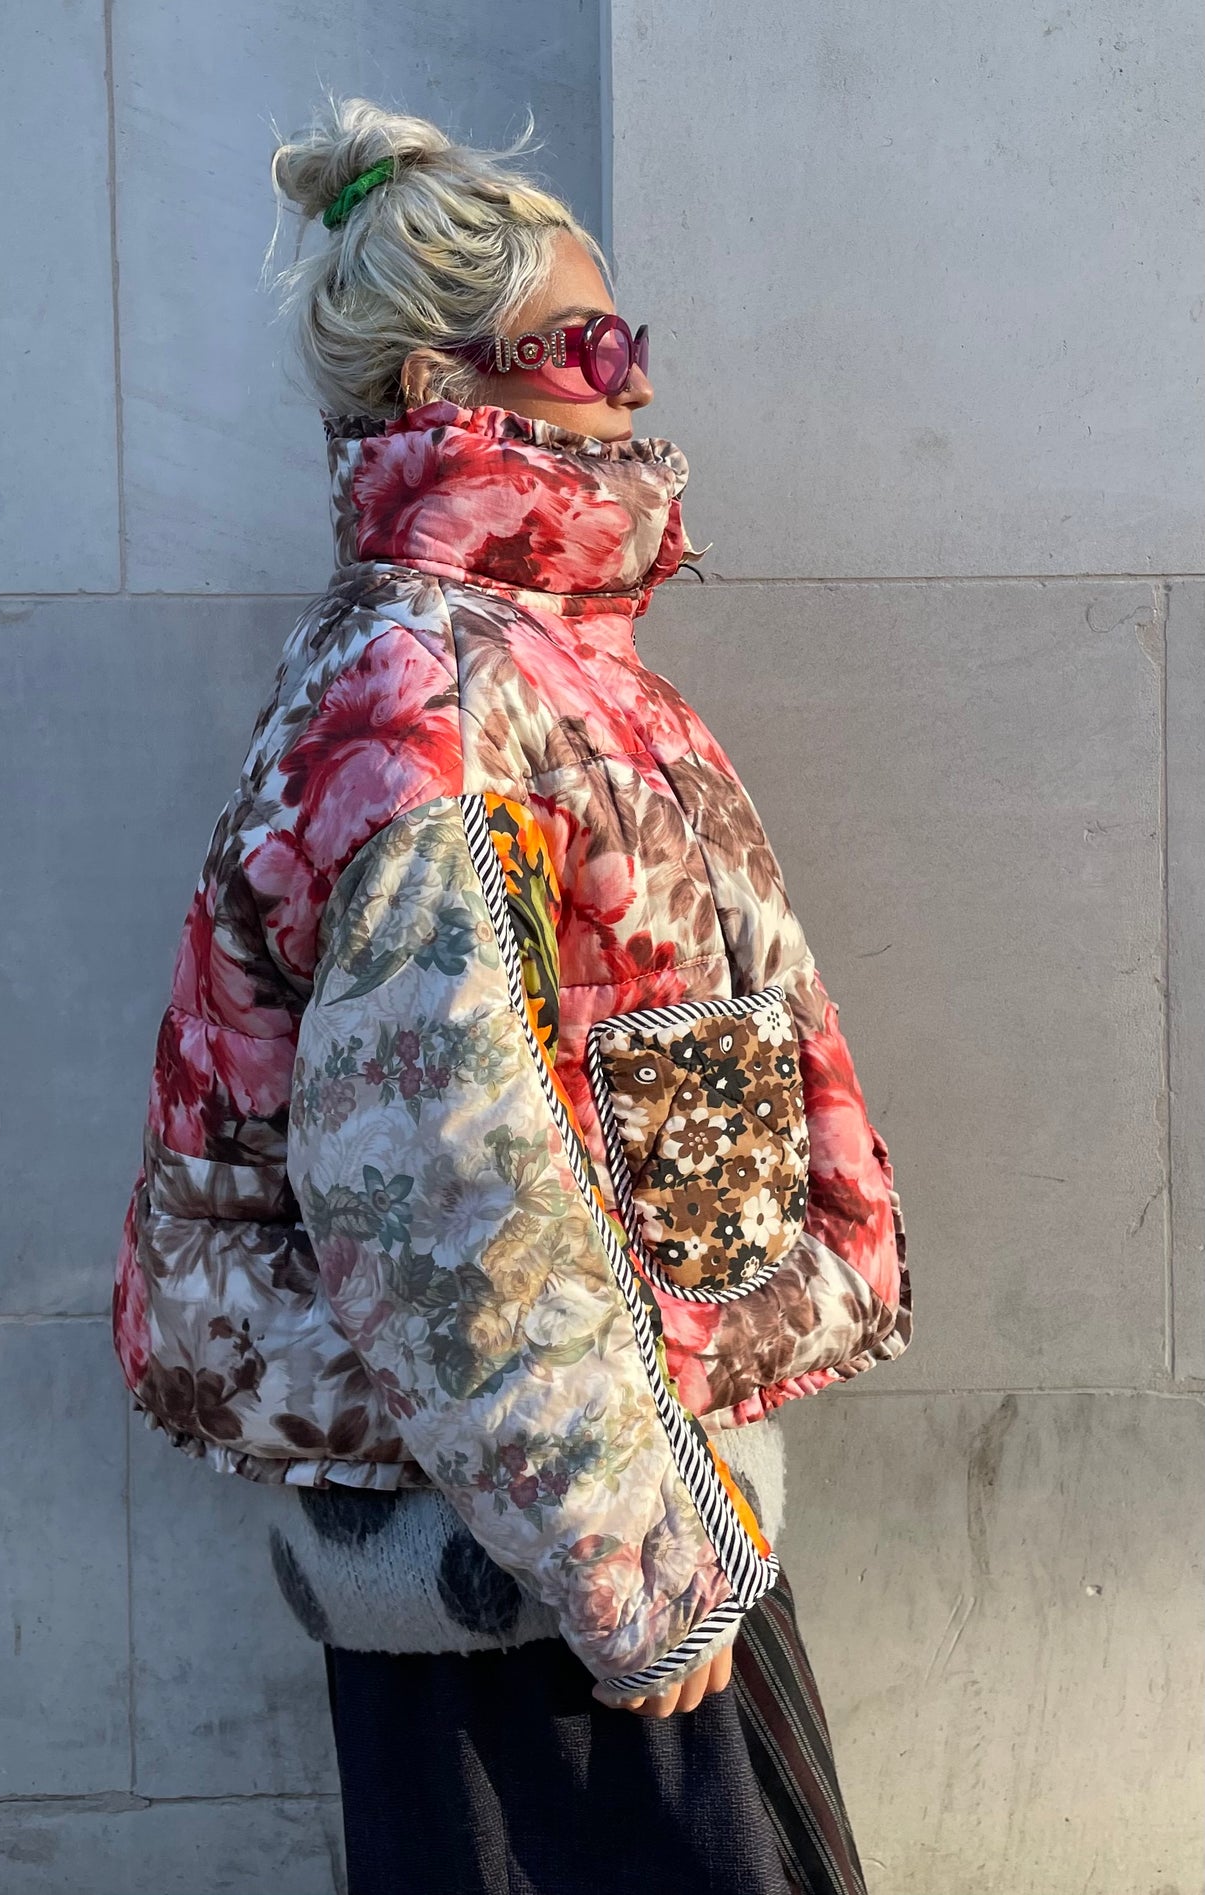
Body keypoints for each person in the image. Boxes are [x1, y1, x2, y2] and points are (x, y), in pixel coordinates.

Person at [111, 96, 911, 1895]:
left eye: (626, 339)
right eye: (580, 342)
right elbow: (443, 1181)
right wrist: (635, 1564)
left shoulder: (517, 665)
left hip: (582, 1499)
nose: (625, 383)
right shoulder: (431, 703)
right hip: (544, 1565)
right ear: (429, 391)